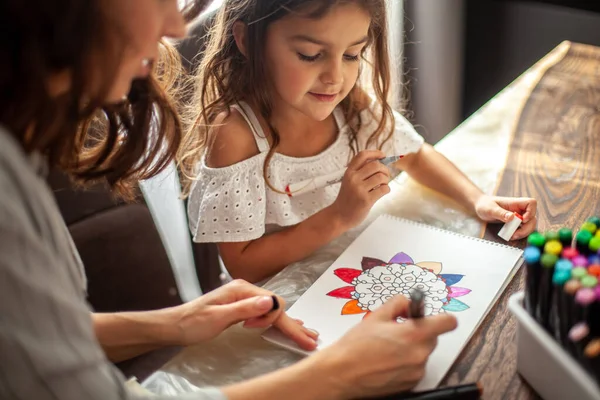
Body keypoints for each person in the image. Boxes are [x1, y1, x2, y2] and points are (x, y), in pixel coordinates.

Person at [0, 0, 457, 399]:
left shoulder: (19, 159)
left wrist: (174, 323)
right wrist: (338, 373)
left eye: (354, 53)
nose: (176, 29)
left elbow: (35, 339)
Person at [181, 0, 538, 284]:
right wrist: (338, 216)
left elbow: (413, 155)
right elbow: (245, 266)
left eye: (352, 55)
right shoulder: (236, 136)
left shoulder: (350, 106)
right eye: (309, 54)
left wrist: (479, 200)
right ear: (246, 40)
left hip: (347, 267)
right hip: (278, 301)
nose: (335, 77)